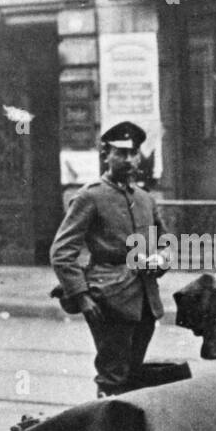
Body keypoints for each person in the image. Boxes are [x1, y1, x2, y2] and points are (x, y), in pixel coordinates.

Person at [49, 122, 168, 398]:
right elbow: (62, 251)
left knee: (133, 373)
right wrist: (81, 296)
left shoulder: (145, 199)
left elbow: (166, 242)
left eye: (133, 153)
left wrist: (162, 259)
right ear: (106, 155)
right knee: (113, 376)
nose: (128, 160)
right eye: (120, 153)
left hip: (145, 300)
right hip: (109, 299)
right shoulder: (90, 197)